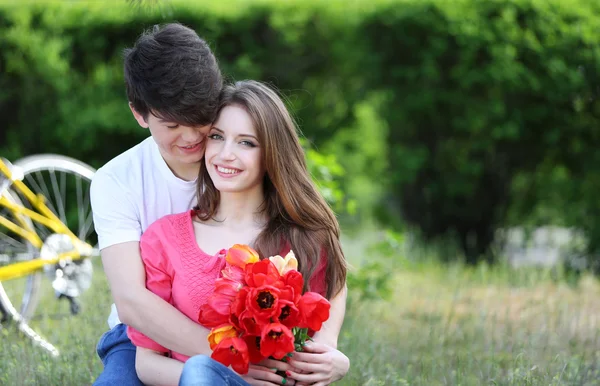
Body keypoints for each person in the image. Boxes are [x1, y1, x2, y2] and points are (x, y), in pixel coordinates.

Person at [127, 80, 350, 386]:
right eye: (217, 137)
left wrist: (333, 358)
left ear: (272, 153)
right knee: (198, 371)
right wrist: (225, 374)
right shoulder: (164, 239)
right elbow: (147, 363)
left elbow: (322, 332)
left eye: (246, 142)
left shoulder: (302, 240)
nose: (225, 154)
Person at [90, 22, 224, 385]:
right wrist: (224, 358)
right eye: (172, 124)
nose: (192, 135)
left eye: (200, 116)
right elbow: (131, 300)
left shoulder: (238, 159)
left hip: (234, 328)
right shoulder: (116, 180)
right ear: (139, 114)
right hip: (140, 337)